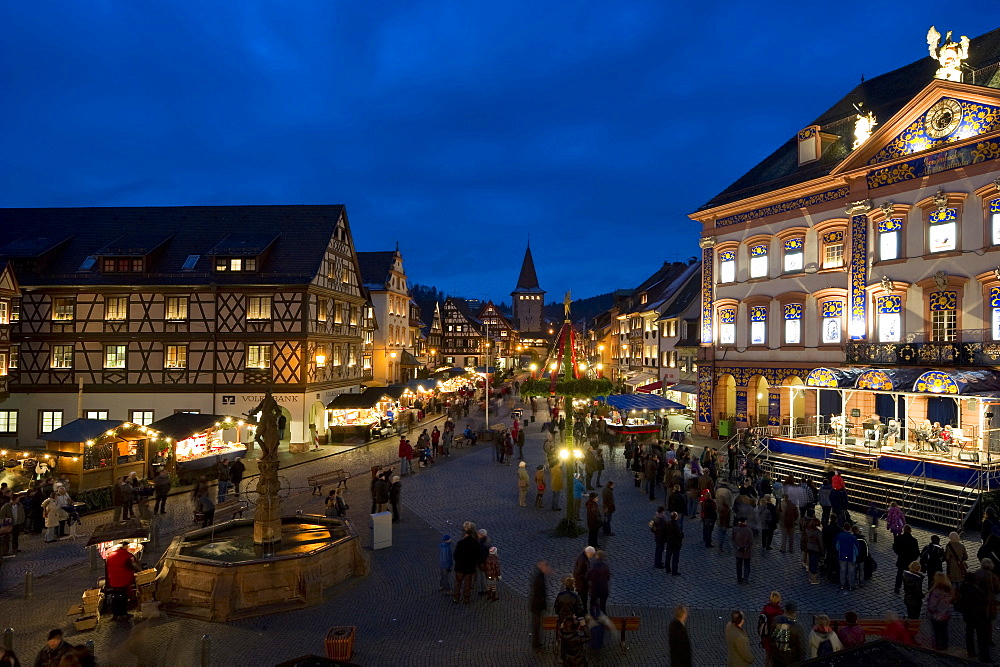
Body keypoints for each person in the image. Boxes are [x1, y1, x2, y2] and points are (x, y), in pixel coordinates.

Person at [958, 571, 990, 662]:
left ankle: (970, 651)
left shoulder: (963, 588)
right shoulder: (977, 591)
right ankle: (983, 655)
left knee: (969, 633)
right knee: (981, 636)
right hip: (978, 616)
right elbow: (984, 601)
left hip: (967, 615)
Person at [105, 540, 139, 620]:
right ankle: (123, 614)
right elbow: (132, 567)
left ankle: (115, 614)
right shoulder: (126, 555)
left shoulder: (111, 555)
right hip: (123, 580)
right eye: (127, 546)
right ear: (124, 546)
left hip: (113, 580)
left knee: (115, 596)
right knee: (123, 597)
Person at [770, 600, 805, 667]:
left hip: (777, 656)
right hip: (791, 659)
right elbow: (801, 647)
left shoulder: (776, 620)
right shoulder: (797, 627)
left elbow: (772, 637)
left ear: (785, 610)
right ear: (794, 612)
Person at [926, 571, 954, 651]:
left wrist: (930, 611)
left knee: (936, 631)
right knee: (944, 630)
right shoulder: (948, 590)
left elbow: (932, 604)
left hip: (936, 615)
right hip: (946, 614)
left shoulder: (936, 591)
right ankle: (945, 646)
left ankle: (938, 646)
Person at [452, 525, 479, 604]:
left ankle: (456, 598)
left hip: (460, 567)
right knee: (468, 583)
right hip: (469, 567)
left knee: (458, 583)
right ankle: (466, 598)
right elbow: (477, 556)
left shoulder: (460, 543)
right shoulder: (475, 543)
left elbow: (455, 556)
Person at [529, 561, 551, 650]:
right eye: (546, 567)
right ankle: (536, 643)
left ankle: (536, 642)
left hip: (537, 605)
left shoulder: (540, 576)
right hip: (537, 606)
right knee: (536, 625)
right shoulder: (539, 578)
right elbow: (539, 594)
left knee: (537, 624)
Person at [893, 524, 920, 594]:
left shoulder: (899, 538)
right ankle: (907, 589)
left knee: (899, 574)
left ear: (904, 530)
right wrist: (913, 558)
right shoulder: (914, 540)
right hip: (909, 561)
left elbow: (895, 547)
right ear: (910, 531)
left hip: (901, 560)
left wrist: (899, 554)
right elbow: (917, 552)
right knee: (909, 576)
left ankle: (897, 588)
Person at [758, 590, 784, 660]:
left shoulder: (765, 608)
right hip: (776, 637)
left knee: (768, 656)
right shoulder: (779, 612)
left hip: (766, 636)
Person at [0, 492, 26, 557]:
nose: (18, 499)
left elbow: (22, 512)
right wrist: (6, 519)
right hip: (9, 524)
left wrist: (22, 519)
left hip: (17, 523)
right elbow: (1, 514)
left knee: (16, 536)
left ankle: (15, 548)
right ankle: (6, 551)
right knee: (7, 538)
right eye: (17, 498)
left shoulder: (19, 505)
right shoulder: (7, 506)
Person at [836, 521, 859, 591]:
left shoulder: (840, 536)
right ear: (850, 528)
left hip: (842, 556)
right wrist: (856, 555)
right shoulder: (853, 538)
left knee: (842, 570)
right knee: (851, 571)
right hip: (851, 556)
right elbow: (856, 548)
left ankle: (842, 584)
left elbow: (837, 546)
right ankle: (851, 585)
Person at [587, 550, 611, 616]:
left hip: (595, 589)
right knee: (603, 606)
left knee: (592, 604)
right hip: (604, 589)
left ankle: (593, 618)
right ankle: (603, 619)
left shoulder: (593, 565)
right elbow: (608, 577)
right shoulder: (605, 565)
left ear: (597, 556)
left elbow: (588, 576)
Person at [733, 516, 753, 584]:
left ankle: (739, 579)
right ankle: (745, 579)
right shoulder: (748, 530)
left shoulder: (735, 529)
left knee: (739, 566)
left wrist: (737, 547)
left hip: (738, 552)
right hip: (746, 552)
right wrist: (745, 547)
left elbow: (733, 540)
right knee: (747, 565)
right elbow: (750, 542)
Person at [573, 546, 594, 611]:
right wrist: (586, 577)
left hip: (582, 584)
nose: (592, 556)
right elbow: (578, 573)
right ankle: (583, 612)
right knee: (583, 599)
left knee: (583, 599)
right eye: (591, 555)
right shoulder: (583, 560)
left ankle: (584, 611)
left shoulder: (583, 557)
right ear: (588, 553)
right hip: (581, 584)